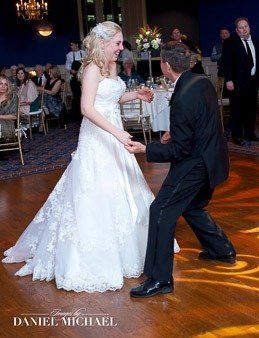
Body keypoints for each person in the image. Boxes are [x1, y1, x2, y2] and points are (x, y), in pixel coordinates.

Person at [2, 22, 179, 293]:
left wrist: (136, 94)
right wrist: (118, 134)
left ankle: (137, 247)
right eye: (118, 43)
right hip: (97, 136)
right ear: (104, 42)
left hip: (113, 132)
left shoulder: (111, 66)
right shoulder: (91, 68)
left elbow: (110, 98)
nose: (122, 48)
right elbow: (87, 108)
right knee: (96, 191)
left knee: (124, 186)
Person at [127, 41, 236, 298]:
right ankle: (222, 250)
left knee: (161, 210)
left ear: (165, 66)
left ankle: (159, 279)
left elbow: (179, 152)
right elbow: (202, 121)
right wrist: (174, 133)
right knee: (192, 206)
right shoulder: (201, 82)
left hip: (195, 164)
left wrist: (146, 149)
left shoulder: (183, 98)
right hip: (213, 158)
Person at [222, 17, 259, 146]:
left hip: (253, 81)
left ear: (249, 27)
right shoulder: (230, 42)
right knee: (237, 110)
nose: (244, 29)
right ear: (236, 30)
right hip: (236, 82)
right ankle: (237, 136)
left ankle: (250, 133)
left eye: (246, 26)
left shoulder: (257, 42)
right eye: (241, 27)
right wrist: (228, 80)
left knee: (251, 109)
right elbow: (227, 63)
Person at [65, 40, 86, 120]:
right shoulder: (69, 55)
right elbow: (67, 66)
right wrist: (71, 70)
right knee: (76, 96)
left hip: (83, 77)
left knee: (83, 95)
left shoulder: (83, 53)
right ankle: (76, 115)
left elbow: (86, 63)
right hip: (73, 78)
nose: (71, 47)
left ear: (77, 45)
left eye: (72, 45)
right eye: (70, 45)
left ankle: (84, 112)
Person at [0, 75, 18, 141]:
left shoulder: (12, 97)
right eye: (1, 84)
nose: (3, 86)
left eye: (6, 84)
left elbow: (15, 116)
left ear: (8, 86)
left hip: (10, 122)